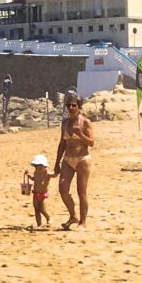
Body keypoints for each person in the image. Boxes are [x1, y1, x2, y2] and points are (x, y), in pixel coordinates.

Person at [54, 94, 94, 230]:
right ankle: (72, 215)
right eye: (68, 105)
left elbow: (91, 142)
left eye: (73, 105)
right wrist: (56, 163)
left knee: (81, 191)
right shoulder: (65, 123)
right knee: (63, 188)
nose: (71, 108)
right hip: (67, 158)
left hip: (82, 159)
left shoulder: (85, 122)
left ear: (79, 107)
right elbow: (61, 144)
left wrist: (80, 134)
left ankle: (82, 222)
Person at [22, 155, 52, 229]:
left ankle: (48, 218)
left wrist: (56, 172)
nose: (36, 168)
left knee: (43, 210)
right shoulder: (36, 172)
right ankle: (39, 224)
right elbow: (35, 179)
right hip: (36, 194)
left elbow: (53, 175)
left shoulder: (47, 173)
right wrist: (29, 176)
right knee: (36, 210)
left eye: (38, 166)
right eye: (35, 166)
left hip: (43, 194)